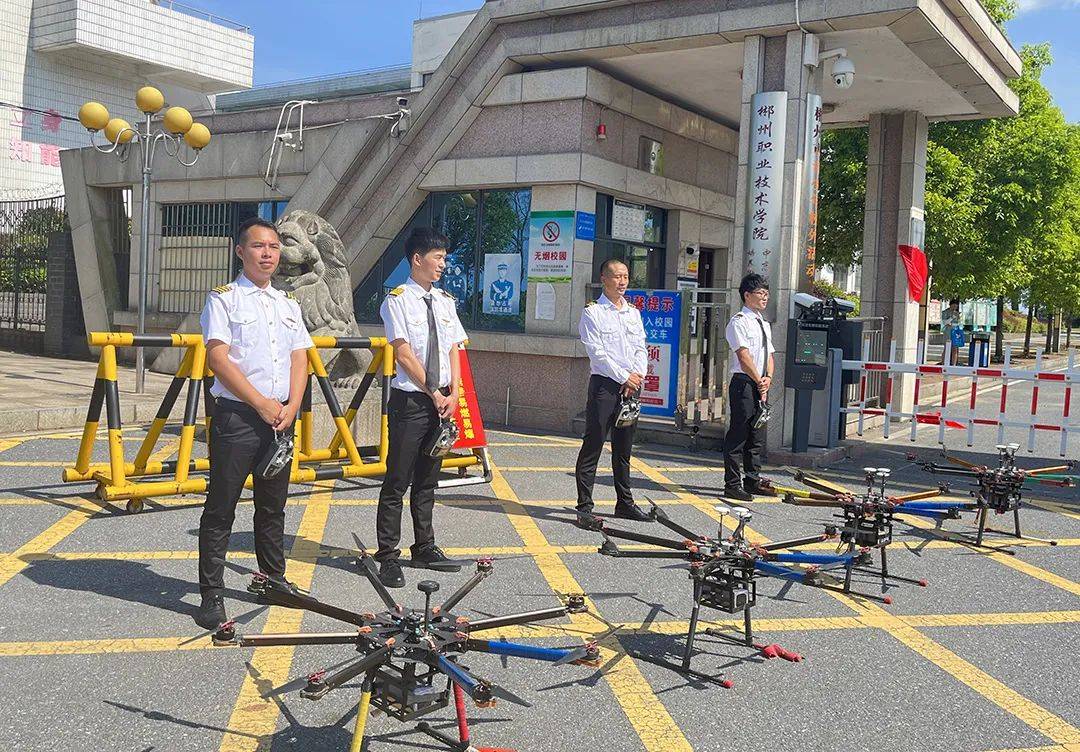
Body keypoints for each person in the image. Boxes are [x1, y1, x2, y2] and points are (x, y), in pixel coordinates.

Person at [194, 217, 314, 630]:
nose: (268, 253)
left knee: (273, 506)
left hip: (281, 417)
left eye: (275, 247)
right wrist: (261, 403)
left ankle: (273, 579)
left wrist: (292, 404)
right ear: (240, 251)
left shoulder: (288, 304)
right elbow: (218, 359)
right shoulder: (225, 300)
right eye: (259, 246)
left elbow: (301, 357)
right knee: (221, 506)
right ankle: (211, 593)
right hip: (239, 417)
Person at [376, 227, 468, 588]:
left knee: (429, 478)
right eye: (438, 257)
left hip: (442, 400)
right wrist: (433, 391)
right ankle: (387, 556)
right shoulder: (396, 300)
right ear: (417, 259)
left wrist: (453, 393)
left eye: (445, 257)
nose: (443, 264)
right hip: (412, 400)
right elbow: (403, 353)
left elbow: (453, 349)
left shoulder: (445, 301)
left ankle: (425, 546)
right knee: (398, 478)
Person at [573, 258, 651, 527]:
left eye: (626, 277)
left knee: (624, 448)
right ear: (604, 279)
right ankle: (584, 508)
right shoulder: (593, 313)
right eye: (616, 276)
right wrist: (624, 376)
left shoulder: (633, 313)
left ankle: (625, 503)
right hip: (605, 387)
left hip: (631, 388)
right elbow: (597, 353)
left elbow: (642, 347)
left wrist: (636, 377)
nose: (622, 282)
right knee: (593, 445)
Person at [722, 273, 777, 502]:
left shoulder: (763, 323)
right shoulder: (738, 322)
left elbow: (770, 355)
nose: (765, 297)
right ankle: (732, 484)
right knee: (739, 434)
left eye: (767, 293)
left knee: (756, 434)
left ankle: (752, 480)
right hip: (744, 383)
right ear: (747, 295)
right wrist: (758, 380)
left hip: (760, 383)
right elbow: (744, 357)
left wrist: (768, 379)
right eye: (760, 293)